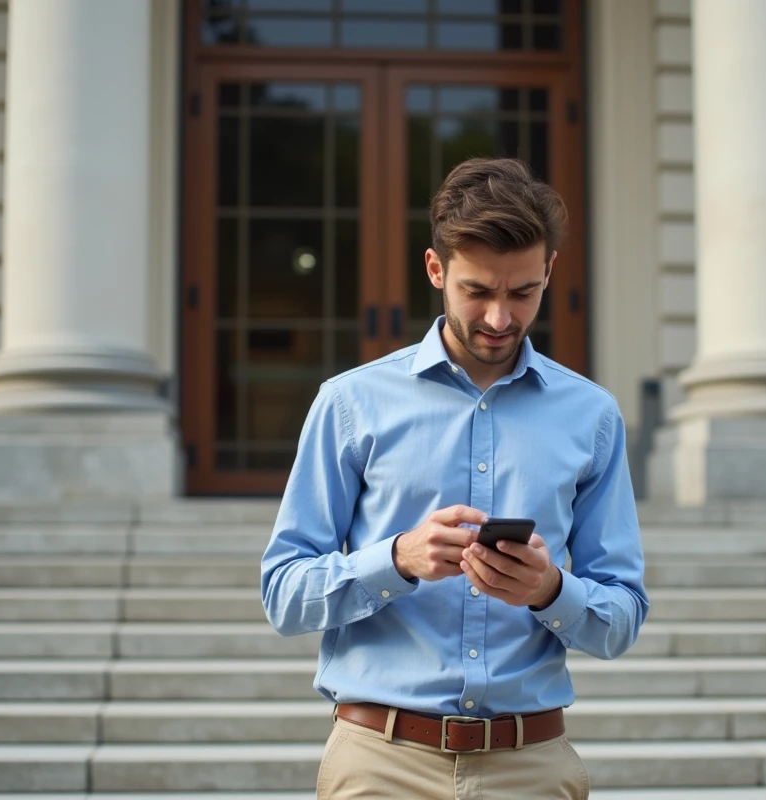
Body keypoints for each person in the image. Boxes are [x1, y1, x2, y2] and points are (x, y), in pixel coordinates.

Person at [261, 158, 648, 800]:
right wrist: (396, 560)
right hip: (379, 765)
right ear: (436, 270)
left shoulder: (593, 416)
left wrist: (549, 590)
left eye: (523, 292)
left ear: (550, 271)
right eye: (478, 291)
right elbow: (283, 594)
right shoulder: (348, 403)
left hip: (531, 767)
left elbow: (622, 618)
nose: (499, 318)